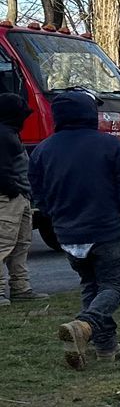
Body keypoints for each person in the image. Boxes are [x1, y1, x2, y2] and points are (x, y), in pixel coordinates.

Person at [28, 89, 120, 367]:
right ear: (90, 114)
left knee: (91, 285)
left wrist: (56, 217)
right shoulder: (110, 145)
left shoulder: (43, 149)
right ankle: (84, 326)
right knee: (115, 285)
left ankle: (106, 347)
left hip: (68, 233)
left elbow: (38, 194)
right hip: (107, 228)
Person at [0, 92, 36, 305]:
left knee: (21, 244)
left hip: (18, 196)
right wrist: (13, 191)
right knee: (3, 244)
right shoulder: (3, 135)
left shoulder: (9, 132)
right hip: (7, 198)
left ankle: (21, 287)